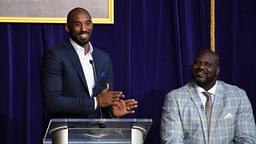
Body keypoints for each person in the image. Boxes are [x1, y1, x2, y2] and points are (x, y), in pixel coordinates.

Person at [41, 7, 137, 119]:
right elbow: (53, 102)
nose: (84, 29)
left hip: (96, 133)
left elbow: (105, 100)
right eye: (77, 24)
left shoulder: (104, 58)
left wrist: (112, 112)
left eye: (88, 24)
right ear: (67, 27)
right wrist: (95, 102)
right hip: (66, 132)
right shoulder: (55, 55)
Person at [161, 49, 256, 143]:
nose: (201, 67)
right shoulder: (174, 98)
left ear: (217, 70)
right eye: (197, 63)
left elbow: (247, 139)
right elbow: (172, 140)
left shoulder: (238, 96)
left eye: (207, 64)